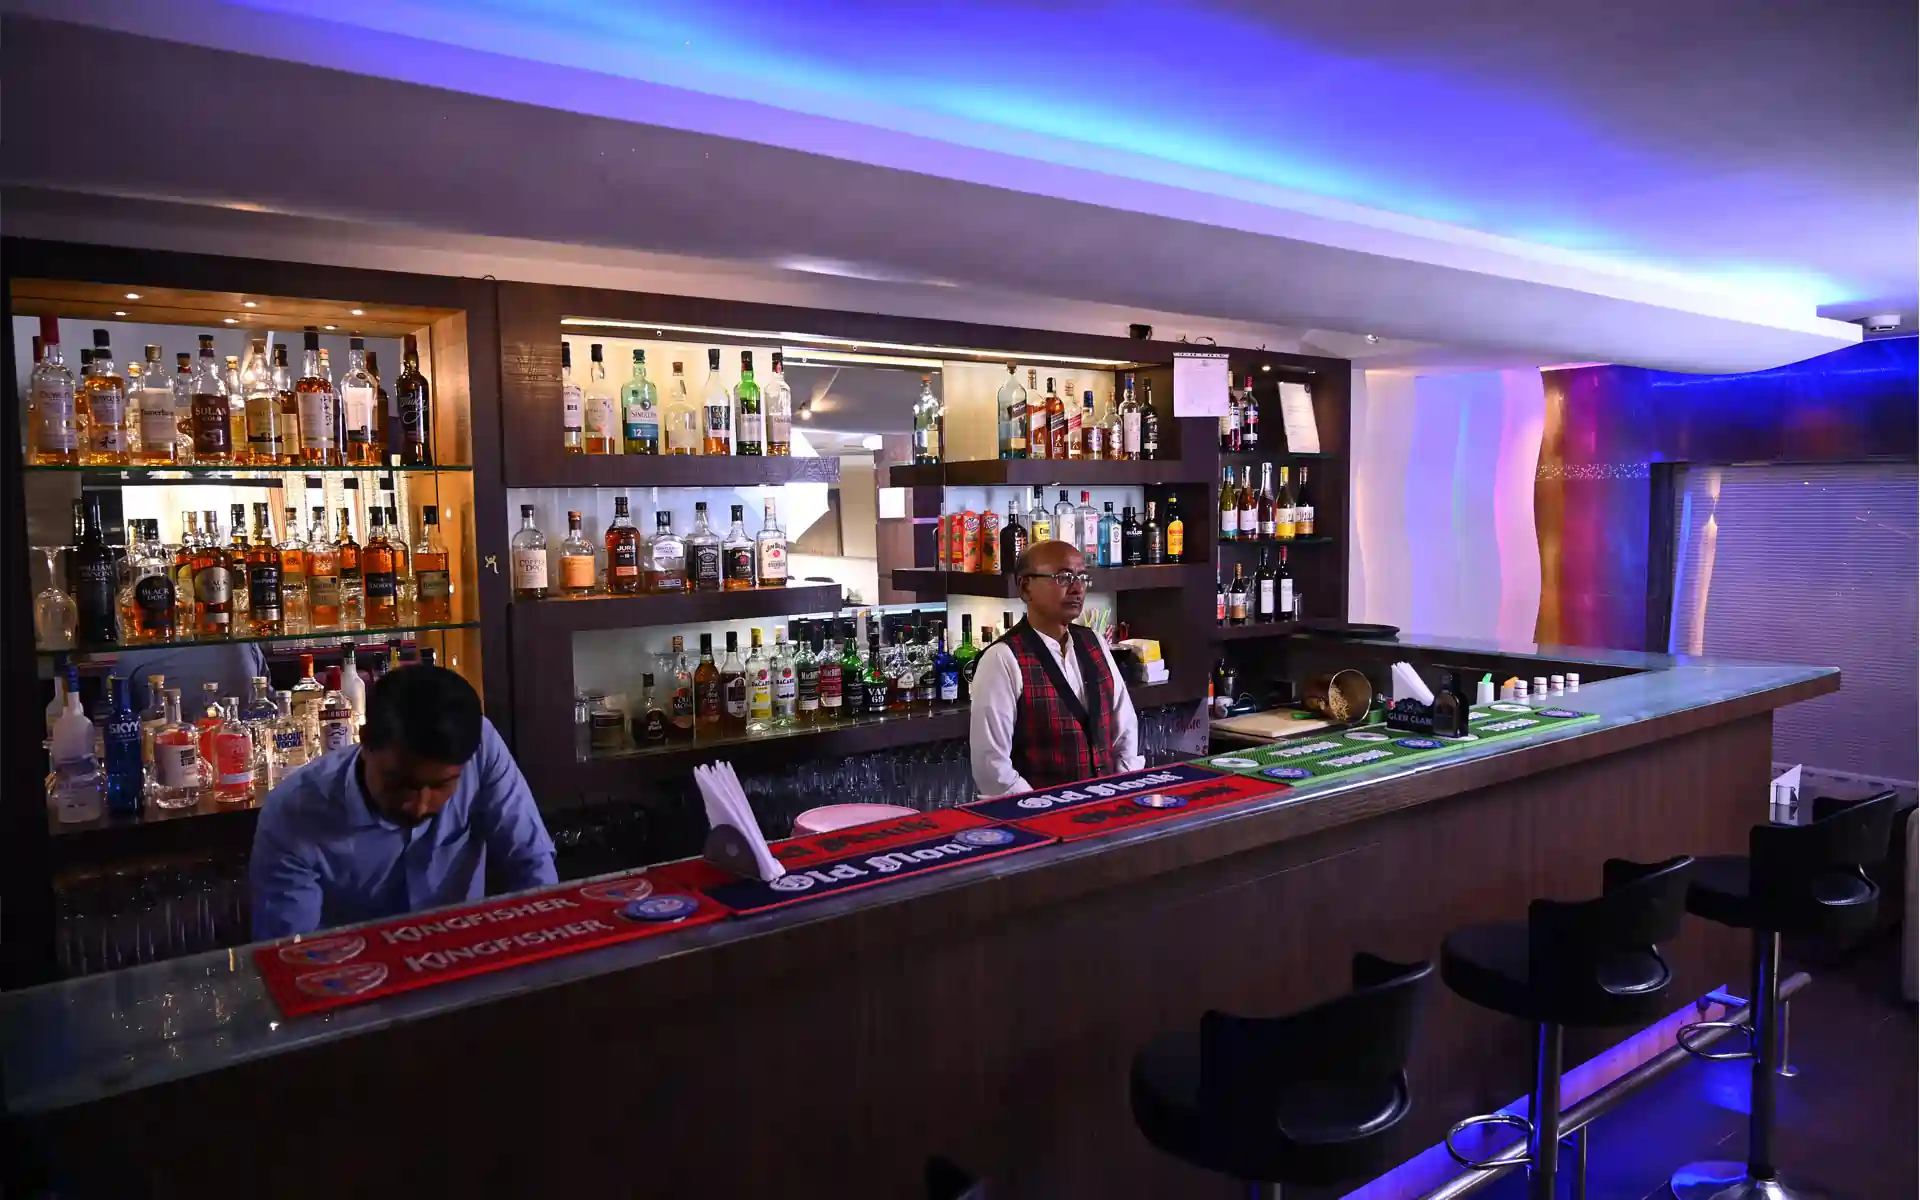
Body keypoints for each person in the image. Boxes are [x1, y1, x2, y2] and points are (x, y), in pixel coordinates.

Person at [249, 663, 557, 939]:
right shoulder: (293, 814)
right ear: (365, 740)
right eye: (401, 785)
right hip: (352, 975)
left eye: (441, 785)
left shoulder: (480, 747)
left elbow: (531, 862)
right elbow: (289, 952)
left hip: (465, 958)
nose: (419, 806)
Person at [969, 540, 1143, 798]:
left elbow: (1124, 730)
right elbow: (992, 769)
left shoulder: (1094, 643)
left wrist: (1120, 789)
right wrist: (1042, 807)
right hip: (1039, 814)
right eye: (1063, 577)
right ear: (1025, 587)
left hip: (1107, 805)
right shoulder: (1001, 659)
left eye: (1082, 577)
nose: (1077, 588)